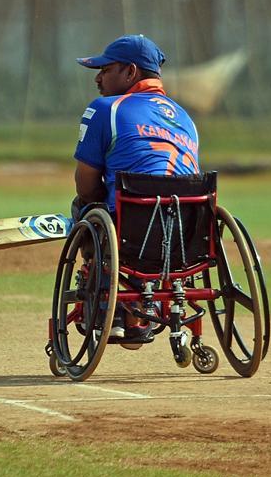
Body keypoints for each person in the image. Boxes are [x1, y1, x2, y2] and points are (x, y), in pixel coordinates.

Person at [73, 34, 200, 340]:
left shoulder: (106, 109)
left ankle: (111, 304)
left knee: (86, 207)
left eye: (105, 69)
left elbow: (86, 186)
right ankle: (147, 302)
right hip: (188, 234)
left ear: (130, 72)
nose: (98, 78)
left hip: (131, 231)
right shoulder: (185, 117)